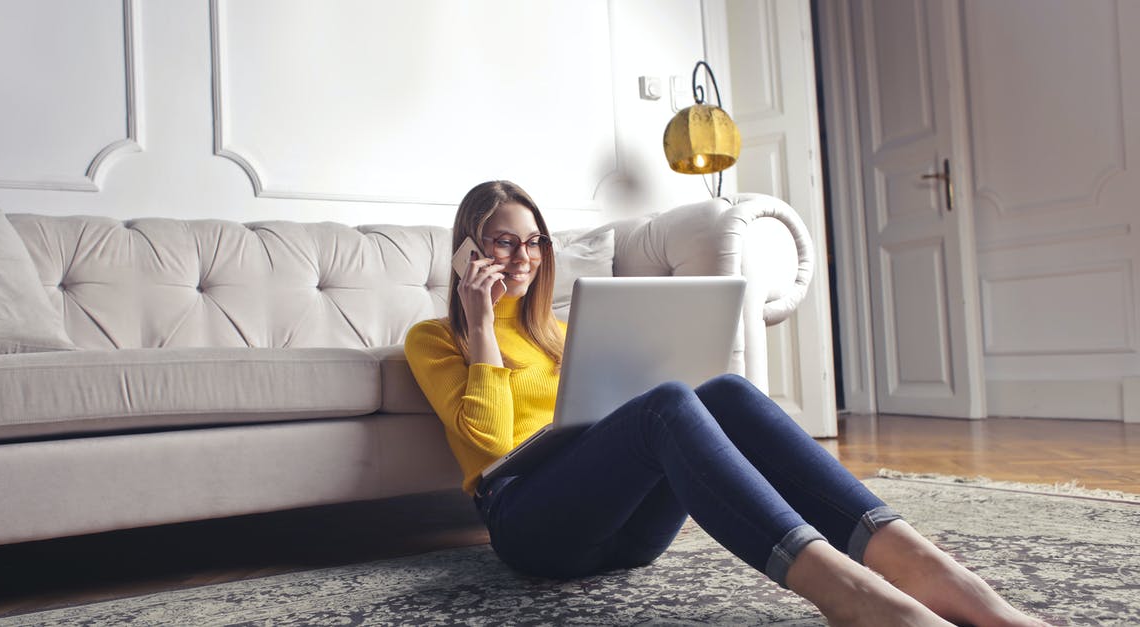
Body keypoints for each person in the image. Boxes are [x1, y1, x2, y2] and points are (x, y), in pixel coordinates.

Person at [404, 180, 1047, 627]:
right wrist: (482, 325)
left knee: (725, 392)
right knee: (664, 405)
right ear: (470, 250)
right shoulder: (434, 340)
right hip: (530, 525)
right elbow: (488, 444)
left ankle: (928, 568)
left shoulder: (564, 333)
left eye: (534, 241)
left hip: (626, 535)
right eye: (503, 242)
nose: (524, 256)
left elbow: (618, 423)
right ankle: (848, 593)